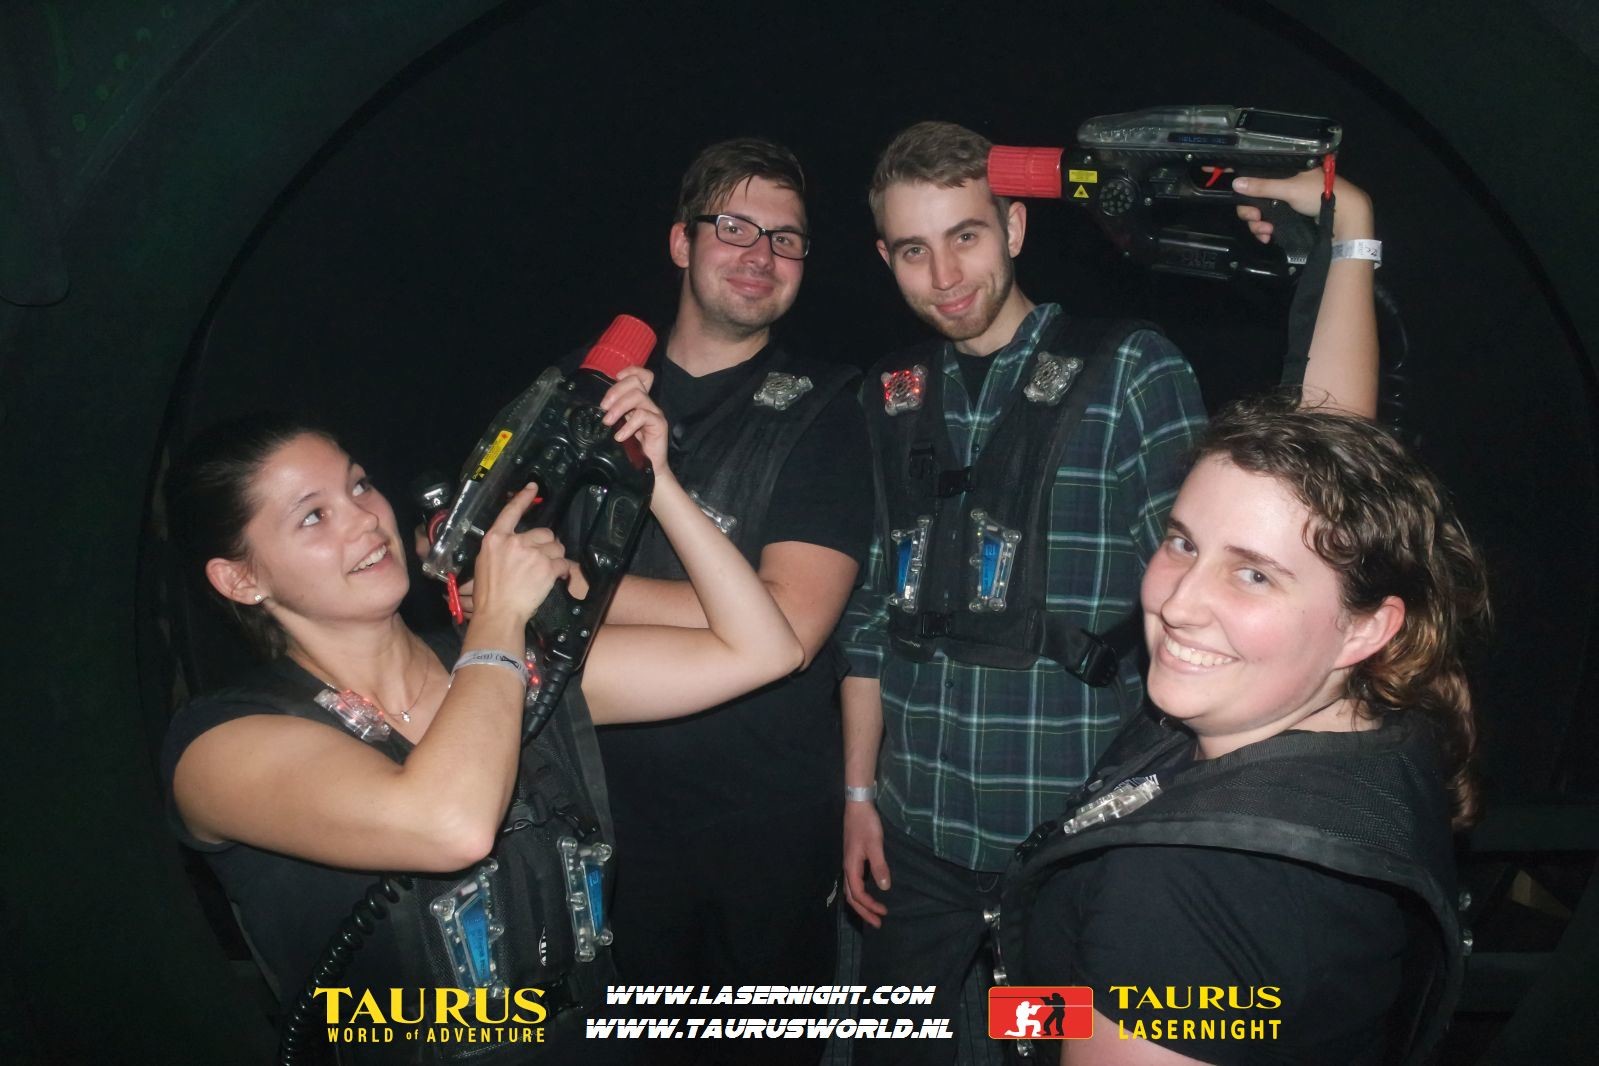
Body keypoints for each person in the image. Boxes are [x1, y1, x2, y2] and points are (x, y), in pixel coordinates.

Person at [837, 119, 1383, 1059]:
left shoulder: (1127, 367)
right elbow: (866, 620)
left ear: (1014, 226)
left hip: (1071, 840)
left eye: (965, 234)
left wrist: (1348, 247)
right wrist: (857, 793)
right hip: (914, 838)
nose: (945, 274)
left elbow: (1295, 510)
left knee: (1053, 1045)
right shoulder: (887, 394)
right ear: (885, 259)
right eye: (913, 250)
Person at [160, 369, 801, 1062]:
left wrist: (655, 479)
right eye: (314, 516)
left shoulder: (509, 665)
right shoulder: (219, 746)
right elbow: (451, 826)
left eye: (359, 486)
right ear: (241, 579)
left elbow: (764, 649)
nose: (365, 519)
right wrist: (497, 618)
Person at [1001, 398, 1487, 1065]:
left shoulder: (1188, 885)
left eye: (1253, 574)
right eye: (1182, 543)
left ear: (1366, 628)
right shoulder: (1386, 727)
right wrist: (1015, 1017)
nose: (1177, 604)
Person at [586, 137, 871, 1054]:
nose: (760, 254)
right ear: (682, 242)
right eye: (736, 227)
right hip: (604, 816)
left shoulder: (829, 408)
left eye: (786, 239)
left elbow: (788, 626)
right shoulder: (590, 397)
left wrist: (582, 587)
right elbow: (500, 576)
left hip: (767, 824)